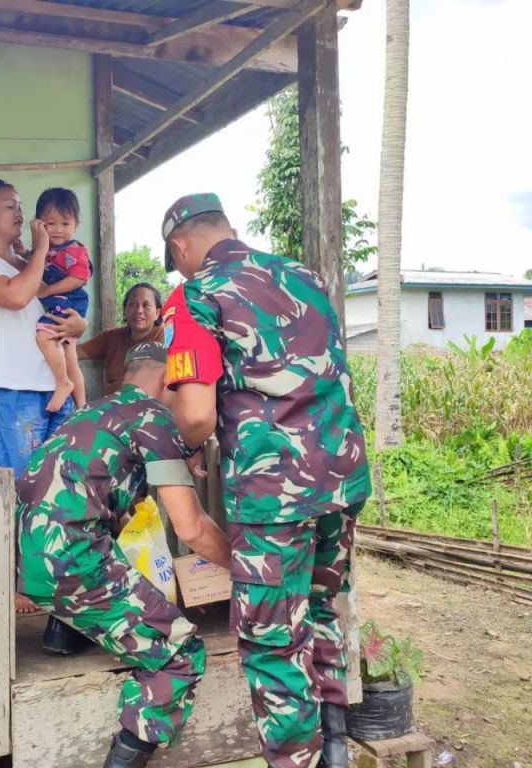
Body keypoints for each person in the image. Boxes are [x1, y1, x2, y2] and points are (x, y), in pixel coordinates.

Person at [158, 193, 372, 768]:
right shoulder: (303, 274)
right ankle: (334, 748)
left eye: (173, 257)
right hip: (342, 478)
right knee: (322, 607)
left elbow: (198, 415)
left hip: (273, 491)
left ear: (181, 245)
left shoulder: (196, 294)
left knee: (273, 640)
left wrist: (172, 426)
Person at [16, 341, 232, 768]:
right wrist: (246, 568)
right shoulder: (155, 419)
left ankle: (62, 632)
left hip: (32, 563)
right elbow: (192, 528)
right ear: (174, 383)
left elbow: (114, 513)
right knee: (179, 651)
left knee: (103, 534)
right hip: (75, 566)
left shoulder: (89, 413)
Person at [0, 178, 87, 613]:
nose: (19, 211)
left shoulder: (24, 262)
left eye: (19, 205)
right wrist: (39, 251)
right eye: (8, 205)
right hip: (12, 391)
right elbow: (16, 298)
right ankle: (14, 580)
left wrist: (78, 326)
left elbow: (59, 315)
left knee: (59, 486)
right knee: (20, 487)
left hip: (53, 387)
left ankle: (51, 574)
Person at [24, 187, 91, 411]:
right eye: (50, 224)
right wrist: (27, 251)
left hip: (66, 302)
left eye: (65, 223)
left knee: (44, 337)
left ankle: (63, 383)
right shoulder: (48, 250)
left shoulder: (74, 251)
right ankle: (82, 405)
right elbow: (35, 262)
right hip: (60, 302)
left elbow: (79, 277)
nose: (58, 230)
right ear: (39, 224)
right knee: (70, 357)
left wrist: (49, 290)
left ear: (76, 225)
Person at [79, 282, 165, 396]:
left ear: (157, 313)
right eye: (132, 304)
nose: (138, 310)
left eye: (146, 305)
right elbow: (77, 352)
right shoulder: (112, 337)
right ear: (125, 310)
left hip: (149, 408)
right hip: (110, 407)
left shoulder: (165, 337)